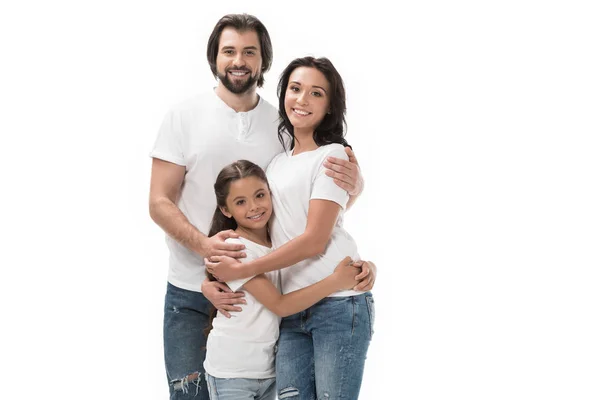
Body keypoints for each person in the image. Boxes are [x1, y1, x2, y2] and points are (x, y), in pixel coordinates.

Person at [148, 14, 370, 399]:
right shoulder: (183, 115)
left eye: (249, 52)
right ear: (214, 58)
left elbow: (307, 196)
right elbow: (158, 201)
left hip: (271, 298)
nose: (239, 60)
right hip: (190, 289)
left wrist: (358, 187)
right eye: (229, 51)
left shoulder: (281, 126)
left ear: (263, 61)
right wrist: (211, 260)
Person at [206, 56, 375, 400]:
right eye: (296, 89)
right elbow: (267, 230)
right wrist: (213, 280)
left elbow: (315, 239)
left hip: (338, 304)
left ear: (330, 106)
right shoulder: (277, 163)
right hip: (291, 310)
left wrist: (244, 270)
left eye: (316, 93)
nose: (302, 100)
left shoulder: (333, 156)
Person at [202, 159, 360, 400]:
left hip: (266, 371)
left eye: (260, 195)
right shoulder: (234, 248)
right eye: (241, 202)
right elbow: (280, 305)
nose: (254, 207)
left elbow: (325, 223)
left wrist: (356, 189)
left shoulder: (276, 239)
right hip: (232, 371)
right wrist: (336, 281)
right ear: (226, 210)